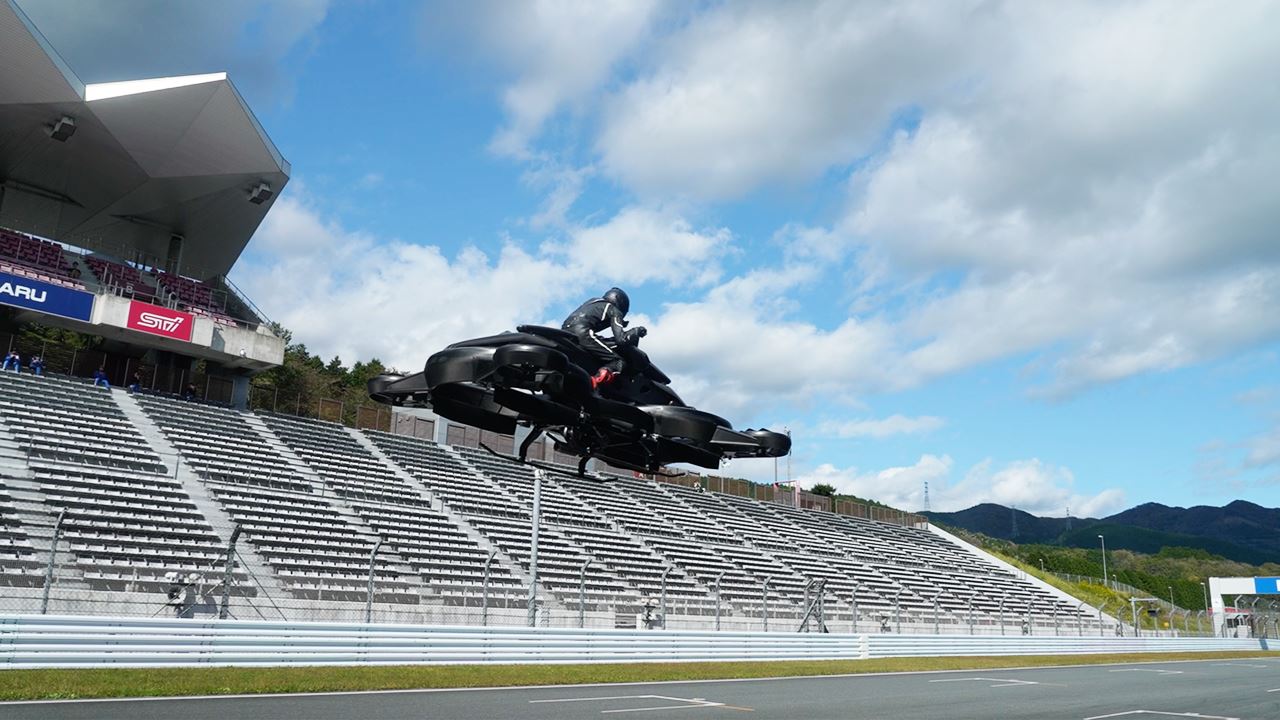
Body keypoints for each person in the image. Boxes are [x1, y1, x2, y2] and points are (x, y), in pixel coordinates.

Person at [561, 287, 646, 389]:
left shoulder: (592, 302)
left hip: (565, 332)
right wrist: (636, 331)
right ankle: (593, 384)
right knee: (618, 362)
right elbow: (621, 340)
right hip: (584, 334)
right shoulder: (613, 310)